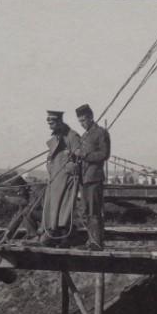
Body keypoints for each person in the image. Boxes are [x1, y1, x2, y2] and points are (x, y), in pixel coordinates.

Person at [73, 104, 111, 250]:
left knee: (94, 211)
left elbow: (104, 154)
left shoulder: (101, 133)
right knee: (85, 211)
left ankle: (96, 243)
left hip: (94, 178)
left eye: (84, 120)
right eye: (80, 121)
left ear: (91, 117)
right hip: (84, 178)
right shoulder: (85, 136)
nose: (82, 124)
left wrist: (83, 155)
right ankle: (92, 241)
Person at [40, 110, 81, 245]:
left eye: (52, 123)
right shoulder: (56, 138)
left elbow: (80, 155)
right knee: (52, 207)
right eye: (48, 123)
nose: (50, 126)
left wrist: (73, 163)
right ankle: (51, 233)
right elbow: (51, 158)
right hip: (55, 179)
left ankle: (64, 237)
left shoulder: (72, 136)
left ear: (59, 122)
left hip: (67, 180)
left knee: (65, 208)